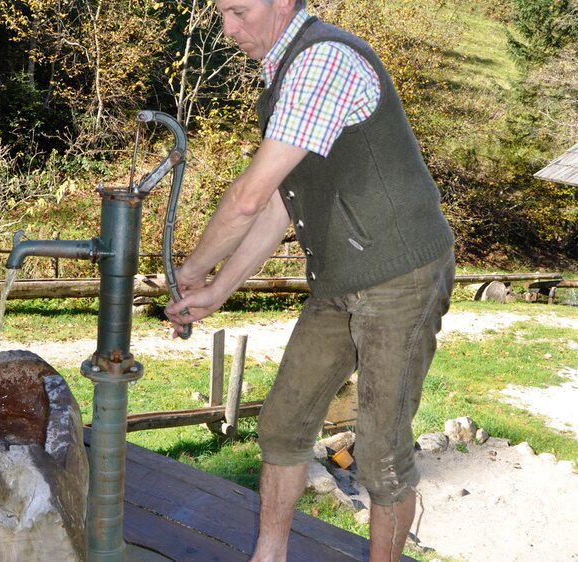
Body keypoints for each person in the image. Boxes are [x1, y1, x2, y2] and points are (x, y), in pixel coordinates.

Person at [164, 0, 455, 560]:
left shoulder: (323, 61)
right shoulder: (285, 75)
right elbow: (278, 205)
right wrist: (217, 292)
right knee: (282, 425)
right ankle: (268, 555)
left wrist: (192, 270)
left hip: (401, 276)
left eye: (238, 12)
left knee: (380, 454)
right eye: (222, 14)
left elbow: (247, 198)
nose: (228, 30)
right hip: (340, 280)